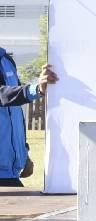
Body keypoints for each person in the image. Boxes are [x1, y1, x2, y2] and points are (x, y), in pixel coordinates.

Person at [0, 49, 57, 186]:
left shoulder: (6, 59)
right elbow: (3, 95)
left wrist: (24, 153)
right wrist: (37, 89)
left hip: (9, 174)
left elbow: (15, 110)